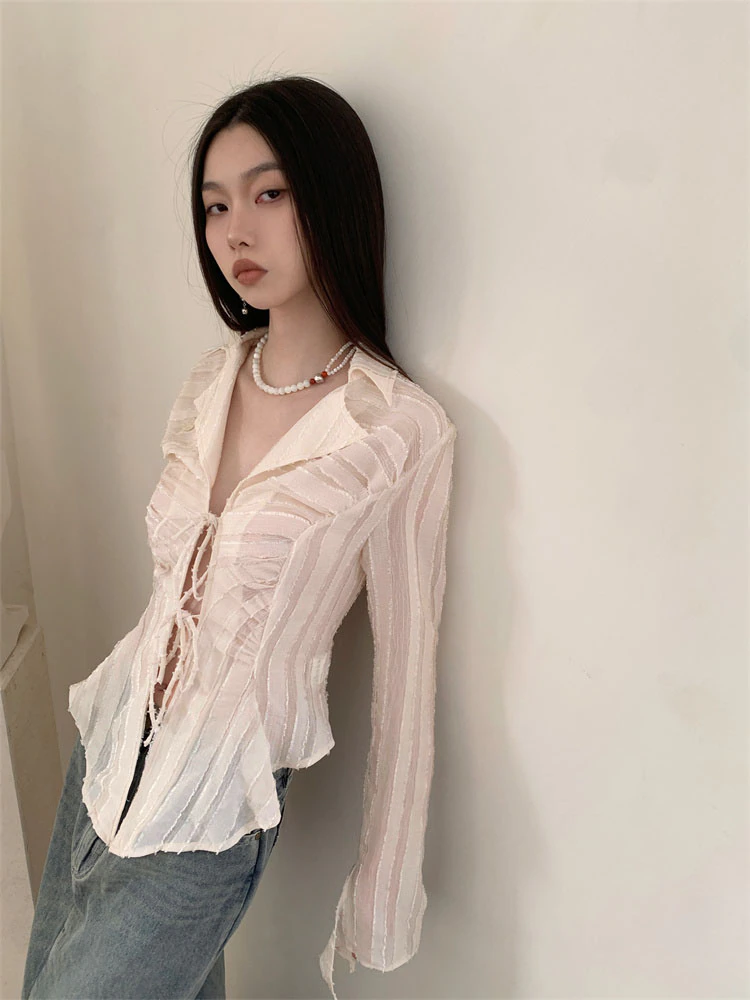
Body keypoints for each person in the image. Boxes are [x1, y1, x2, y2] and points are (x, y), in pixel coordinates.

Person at [22, 74, 457, 1000]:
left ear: (332, 197)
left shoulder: (397, 431)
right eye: (216, 205)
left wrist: (381, 892)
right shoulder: (209, 383)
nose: (235, 233)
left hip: (213, 805)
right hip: (105, 753)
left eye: (269, 194)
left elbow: (408, 674)